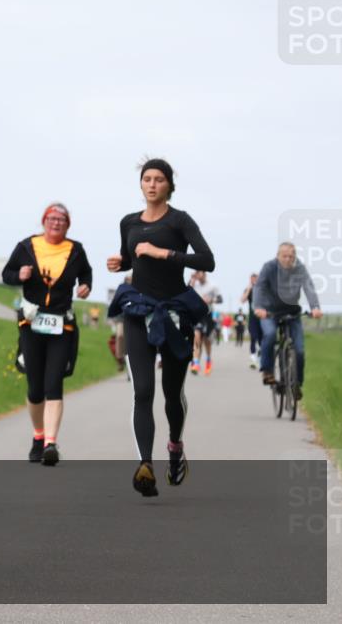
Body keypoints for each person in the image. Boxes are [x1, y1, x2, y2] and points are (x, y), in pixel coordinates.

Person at [107, 158, 214, 497]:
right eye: (147, 179)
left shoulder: (180, 221)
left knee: (171, 396)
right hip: (138, 311)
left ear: (169, 185)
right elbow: (132, 256)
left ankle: (175, 447)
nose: (152, 184)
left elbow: (206, 260)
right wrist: (120, 262)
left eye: (159, 179)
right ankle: (145, 465)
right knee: (142, 392)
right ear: (141, 185)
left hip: (174, 314)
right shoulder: (128, 222)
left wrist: (161, 252)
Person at [2, 203, 92, 466]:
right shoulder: (27, 246)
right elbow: (7, 274)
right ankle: (38, 436)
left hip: (61, 325)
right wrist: (20, 274)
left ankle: (51, 443)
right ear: (43, 221)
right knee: (35, 387)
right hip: (31, 324)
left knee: (54, 384)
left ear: (68, 225)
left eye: (62, 220)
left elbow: (86, 272)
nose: (56, 223)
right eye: (52, 218)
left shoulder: (75, 250)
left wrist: (86, 285)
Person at [253, 243, 322, 399]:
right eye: (284, 255)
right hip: (269, 312)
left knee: (299, 350)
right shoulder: (269, 267)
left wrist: (315, 307)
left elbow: (309, 287)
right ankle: (268, 371)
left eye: (291, 256)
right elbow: (259, 287)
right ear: (278, 255)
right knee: (270, 334)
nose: (288, 259)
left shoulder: (300, 269)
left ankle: (297, 384)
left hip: (292, 313)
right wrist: (258, 307)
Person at [189, 271, 222, 375]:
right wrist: (192, 280)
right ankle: (196, 363)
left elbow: (220, 299)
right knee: (196, 337)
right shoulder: (194, 284)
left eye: (199, 273)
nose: (197, 274)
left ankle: (208, 360)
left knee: (207, 341)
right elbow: (186, 293)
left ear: (204, 274)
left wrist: (211, 300)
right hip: (197, 315)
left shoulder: (212, 286)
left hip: (208, 316)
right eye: (196, 273)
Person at [241, 273, 262, 368]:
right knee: (253, 337)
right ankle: (253, 358)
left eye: (255, 279)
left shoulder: (262, 289)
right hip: (253, 317)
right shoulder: (248, 290)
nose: (254, 280)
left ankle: (260, 358)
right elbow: (242, 300)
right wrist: (249, 288)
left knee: (261, 339)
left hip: (262, 317)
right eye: (252, 279)